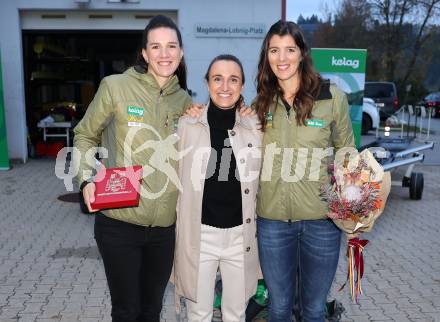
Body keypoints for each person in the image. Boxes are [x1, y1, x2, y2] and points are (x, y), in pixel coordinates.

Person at [73, 15, 192, 322]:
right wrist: (86, 178)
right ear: (144, 53)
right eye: (156, 46)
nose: (164, 54)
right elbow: (86, 134)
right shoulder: (115, 87)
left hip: (165, 229)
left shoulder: (185, 102)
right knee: (127, 311)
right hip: (119, 223)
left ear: (181, 52)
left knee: (151, 311)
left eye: (171, 46)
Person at [254, 20, 355, 322]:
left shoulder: (331, 97)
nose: (282, 58)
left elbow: (348, 156)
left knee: (313, 311)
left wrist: (353, 209)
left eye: (289, 50)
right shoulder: (260, 102)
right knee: (278, 308)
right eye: (274, 50)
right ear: (267, 55)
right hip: (272, 222)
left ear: (302, 53)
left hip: (322, 223)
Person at [173, 54, 262, 322]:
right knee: (198, 314)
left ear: (242, 86)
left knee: (235, 314)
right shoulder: (187, 124)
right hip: (200, 236)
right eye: (218, 79)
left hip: (240, 237)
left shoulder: (255, 126)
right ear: (207, 83)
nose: (225, 86)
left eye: (233, 79)